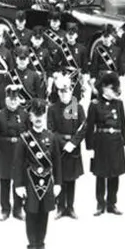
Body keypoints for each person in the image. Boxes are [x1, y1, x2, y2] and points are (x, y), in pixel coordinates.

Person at [13, 98, 61, 249]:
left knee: (44, 213)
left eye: (41, 114)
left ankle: (41, 244)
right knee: (31, 213)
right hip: (30, 182)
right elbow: (18, 164)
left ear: (45, 116)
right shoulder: (24, 138)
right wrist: (19, 185)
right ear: (31, 117)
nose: (39, 118)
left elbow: (57, 163)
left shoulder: (52, 137)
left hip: (47, 182)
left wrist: (58, 183)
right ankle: (32, 245)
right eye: (35, 114)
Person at [86, 72, 125, 216]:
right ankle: (100, 203)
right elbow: (89, 127)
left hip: (116, 142)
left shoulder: (119, 103)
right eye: (112, 88)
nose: (115, 91)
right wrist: (90, 147)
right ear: (104, 88)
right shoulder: (95, 105)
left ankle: (112, 203)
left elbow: (123, 123)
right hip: (101, 142)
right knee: (100, 174)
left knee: (115, 174)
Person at [47, 72, 86, 219]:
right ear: (58, 92)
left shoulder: (78, 107)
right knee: (60, 177)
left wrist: (73, 143)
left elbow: (84, 127)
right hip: (59, 148)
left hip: (74, 148)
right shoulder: (52, 109)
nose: (64, 94)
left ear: (71, 90)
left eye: (67, 90)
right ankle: (60, 206)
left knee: (72, 178)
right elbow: (51, 130)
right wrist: (64, 144)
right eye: (61, 91)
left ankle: (70, 206)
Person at [0, 84, 28, 220]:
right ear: (6, 100)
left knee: (19, 181)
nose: (13, 101)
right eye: (11, 99)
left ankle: (18, 209)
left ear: (19, 100)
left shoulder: (24, 115)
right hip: (3, 152)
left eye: (15, 99)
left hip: (19, 152)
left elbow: (29, 136)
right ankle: (5, 209)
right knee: (4, 181)